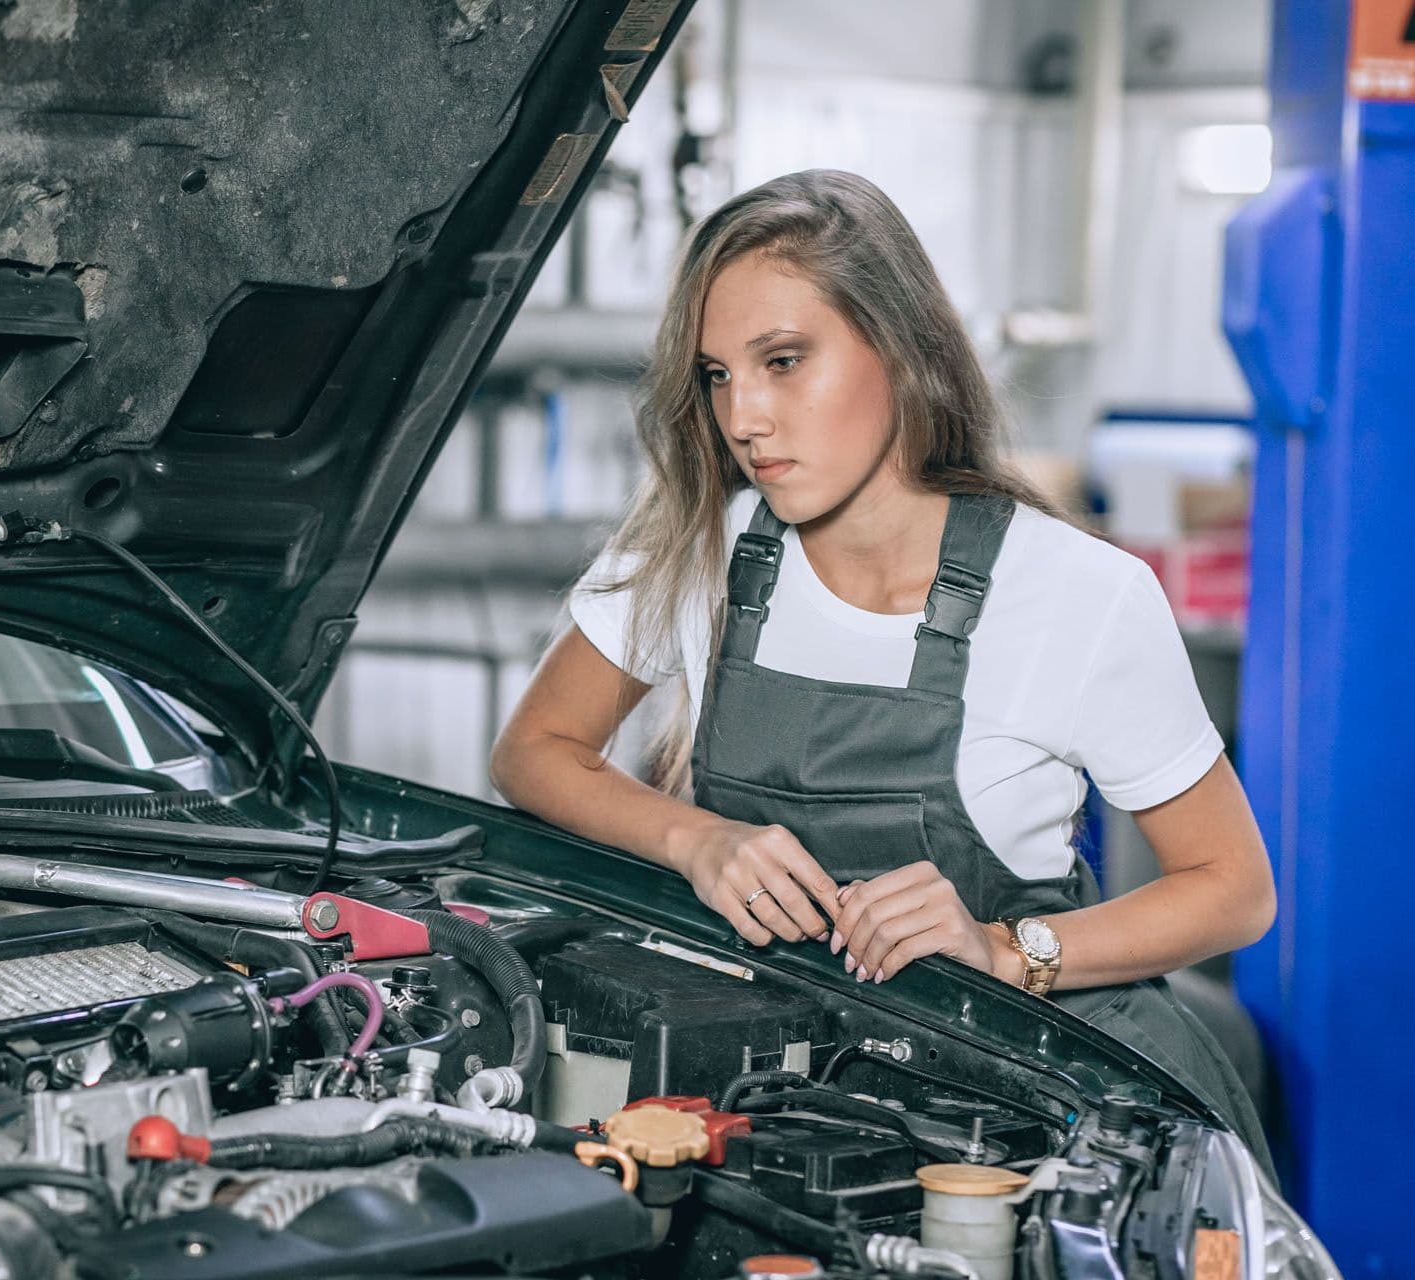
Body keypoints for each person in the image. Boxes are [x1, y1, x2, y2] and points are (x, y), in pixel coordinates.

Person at [489, 169, 1276, 1166]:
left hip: (1028, 1103)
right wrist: (696, 839)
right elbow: (534, 748)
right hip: (776, 1083)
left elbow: (1233, 887)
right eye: (718, 375)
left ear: (900, 347)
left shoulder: (1078, 592)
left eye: (783, 361)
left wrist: (1006, 950)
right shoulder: (702, 542)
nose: (744, 417)